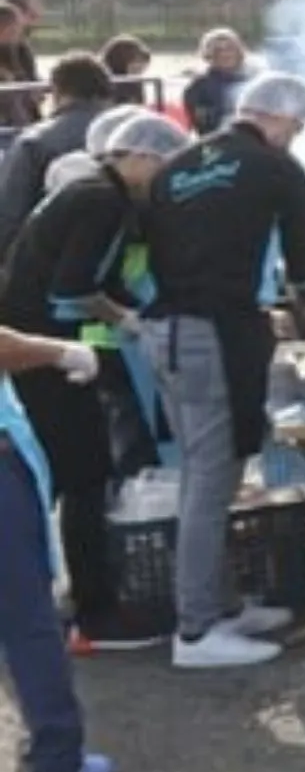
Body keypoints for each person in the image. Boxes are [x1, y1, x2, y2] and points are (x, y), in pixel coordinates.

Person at [142, 72, 305, 669]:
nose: (294, 140)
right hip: (208, 336)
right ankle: (194, 632)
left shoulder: (177, 164)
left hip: (165, 329)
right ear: (281, 120)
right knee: (211, 477)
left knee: (203, 472)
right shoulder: (277, 169)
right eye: (296, 128)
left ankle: (216, 605)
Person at [5, 110, 176, 651]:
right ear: (142, 158)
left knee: (54, 473)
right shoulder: (103, 202)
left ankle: (37, 597)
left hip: (33, 340)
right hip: (45, 348)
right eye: (167, 167)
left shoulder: (88, 190)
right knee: (83, 473)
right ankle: (94, 612)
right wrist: (127, 321)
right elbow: (72, 289)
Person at [0, 52, 114, 248]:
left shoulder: (34, 142)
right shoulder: (136, 134)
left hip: (54, 254)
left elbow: (10, 214)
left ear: (57, 91)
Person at [181, 29, 251, 135]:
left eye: (230, 48)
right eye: (218, 50)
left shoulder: (254, 80)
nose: (225, 54)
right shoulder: (199, 87)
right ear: (209, 54)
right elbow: (205, 127)